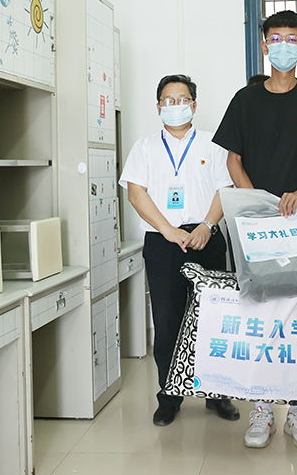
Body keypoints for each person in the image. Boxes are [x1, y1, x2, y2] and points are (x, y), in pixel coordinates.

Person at [213, 9, 297, 449]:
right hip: (256, 226)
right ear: (264, 45)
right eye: (276, 38)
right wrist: (258, 203)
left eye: (292, 39)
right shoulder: (245, 100)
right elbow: (233, 159)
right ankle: (261, 409)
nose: (284, 46)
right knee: (258, 312)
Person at [119, 74, 240, 427]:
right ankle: (169, 396)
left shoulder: (213, 144)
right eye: (168, 100)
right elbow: (136, 194)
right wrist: (168, 230)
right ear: (158, 106)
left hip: (206, 236)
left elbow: (225, 189)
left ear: (194, 105)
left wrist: (207, 226)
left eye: (182, 99)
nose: (176, 106)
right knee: (168, 319)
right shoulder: (144, 147)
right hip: (162, 241)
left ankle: (217, 394)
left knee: (213, 318)